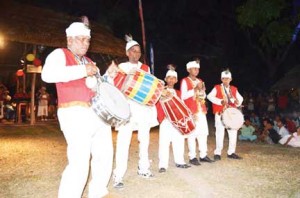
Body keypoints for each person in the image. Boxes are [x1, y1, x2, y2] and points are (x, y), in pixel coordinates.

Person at [41, 18, 113, 198]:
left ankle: (98, 192)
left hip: (97, 113)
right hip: (74, 113)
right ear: (69, 40)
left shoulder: (89, 61)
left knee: (104, 155)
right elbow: (47, 75)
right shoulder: (59, 54)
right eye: (81, 39)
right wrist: (83, 71)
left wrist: (108, 76)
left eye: (87, 40)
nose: (85, 43)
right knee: (80, 161)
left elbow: (98, 87)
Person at [106, 35, 158, 188]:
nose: (136, 54)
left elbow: (150, 86)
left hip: (142, 109)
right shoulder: (121, 67)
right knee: (123, 142)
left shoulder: (146, 68)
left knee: (145, 140)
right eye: (133, 51)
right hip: (126, 108)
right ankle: (118, 175)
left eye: (139, 51)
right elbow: (115, 87)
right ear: (128, 53)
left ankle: (143, 169)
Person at [156, 66, 191, 173]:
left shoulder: (179, 93)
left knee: (179, 141)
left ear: (176, 80)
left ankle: (180, 161)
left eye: (173, 78)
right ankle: (162, 165)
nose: (171, 80)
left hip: (178, 121)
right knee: (164, 143)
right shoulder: (160, 91)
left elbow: (183, 106)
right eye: (169, 78)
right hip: (166, 121)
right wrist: (161, 118)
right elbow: (156, 104)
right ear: (165, 79)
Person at [180, 60, 214, 166]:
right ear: (188, 70)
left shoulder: (200, 80)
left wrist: (202, 91)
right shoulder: (185, 81)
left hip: (201, 109)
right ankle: (192, 157)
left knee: (203, 133)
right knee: (192, 134)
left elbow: (203, 96)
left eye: (198, 68)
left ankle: (203, 155)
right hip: (191, 111)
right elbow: (183, 96)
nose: (197, 70)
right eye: (194, 68)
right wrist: (195, 89)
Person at [207, 69, 244, 160]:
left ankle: (231, 152)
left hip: (231, 114)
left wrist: (237, 102)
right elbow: (209, 96)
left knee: (233, 133)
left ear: (230, 79)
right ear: (221, 79)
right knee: (220, 133)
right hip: (220, 113)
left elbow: (240, 98)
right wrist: (220, 101)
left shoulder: (234, 89)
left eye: (227, 78)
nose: (226, 80)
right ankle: (217, 153)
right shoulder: (217, 88)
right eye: (224, 78)